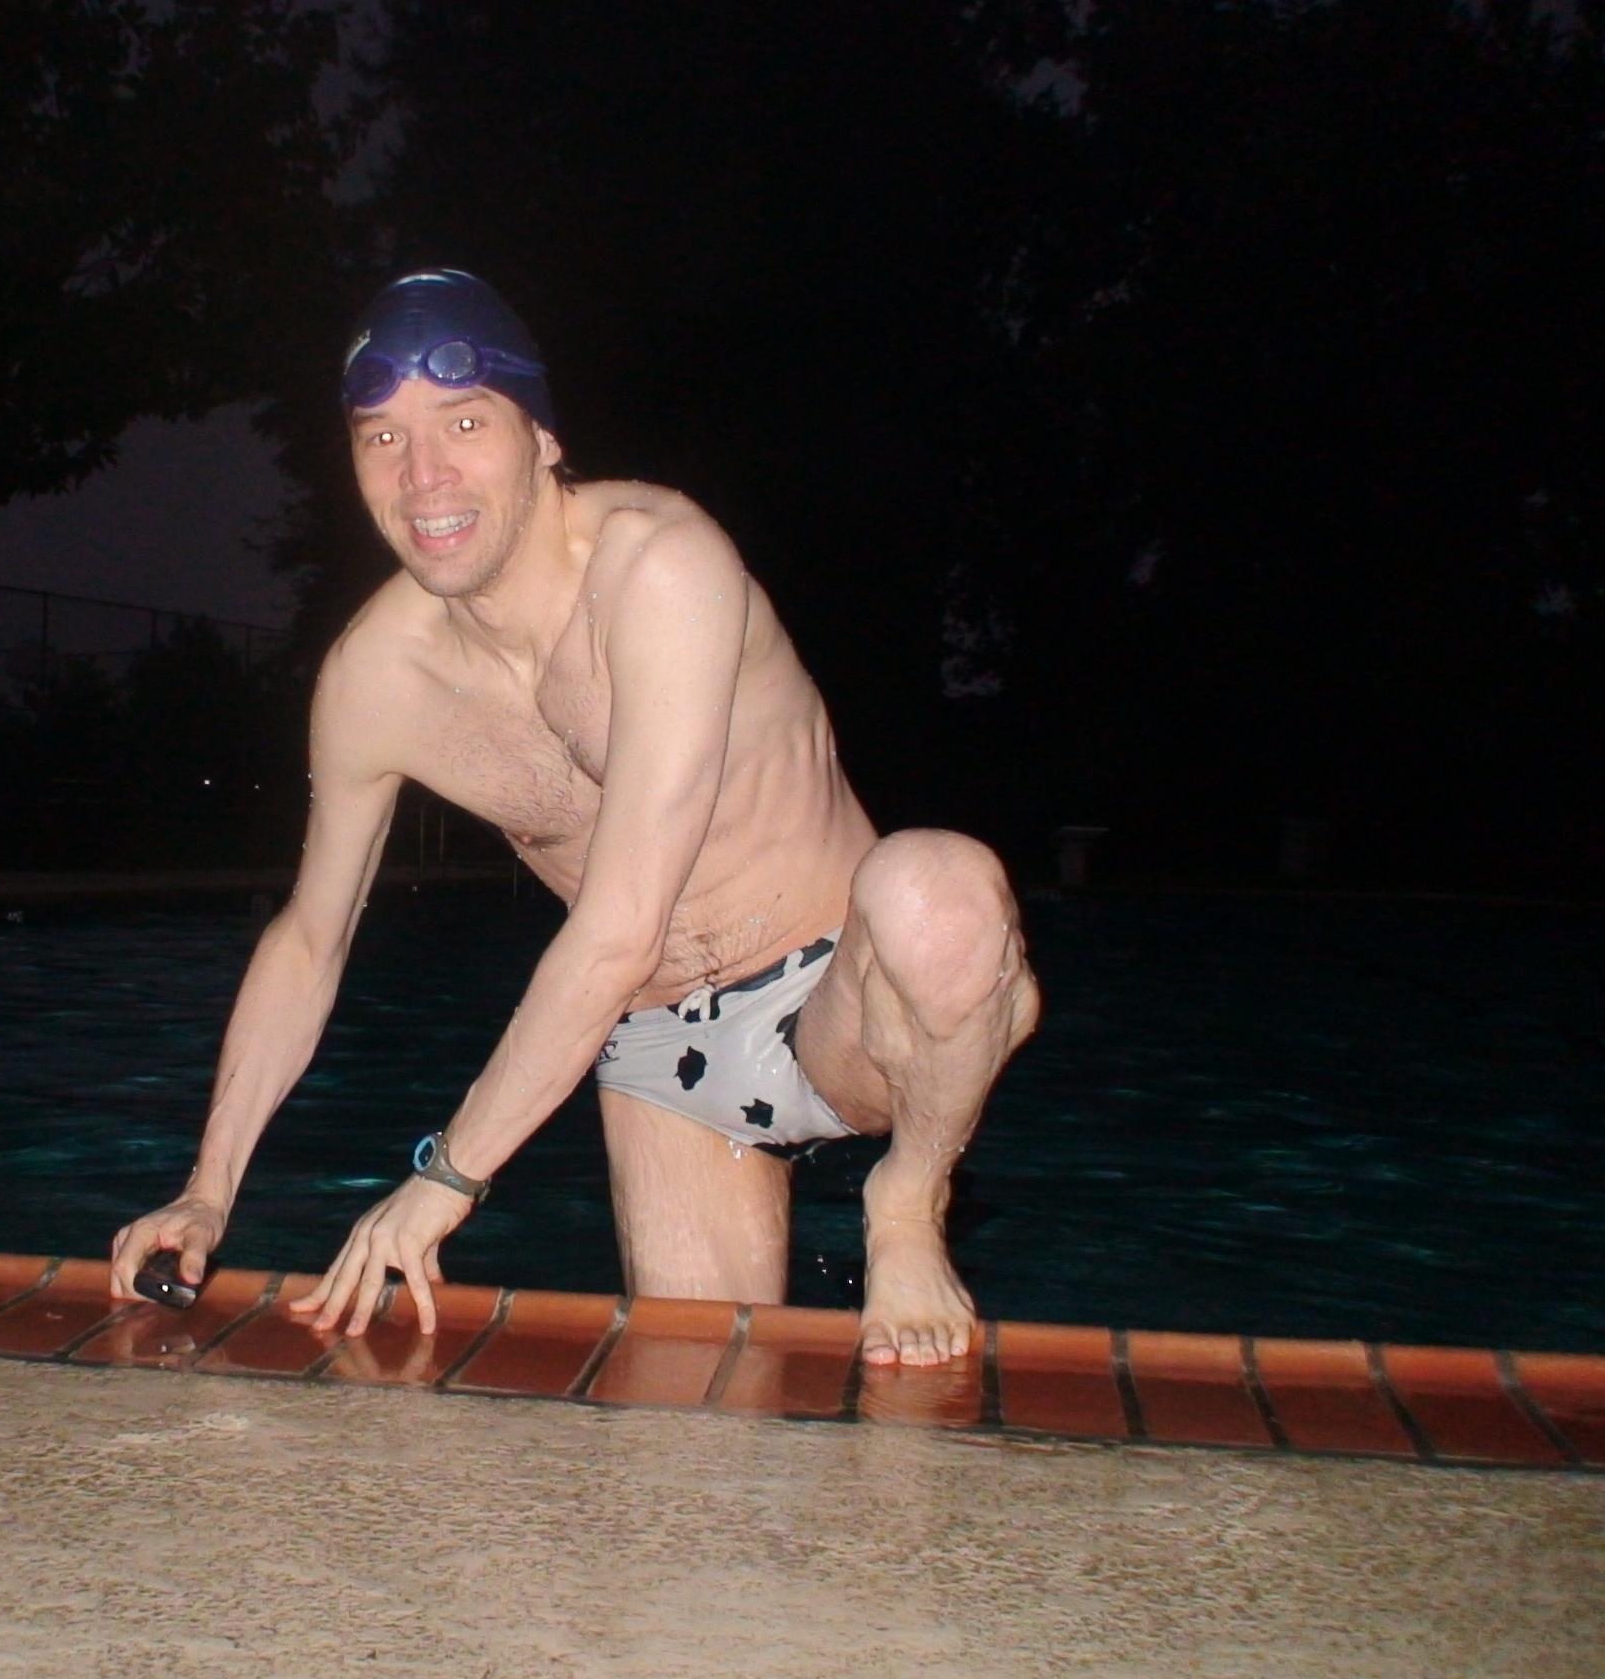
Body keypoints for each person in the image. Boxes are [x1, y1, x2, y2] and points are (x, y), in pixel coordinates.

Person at [109, 268, 1040, 1366]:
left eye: (464, 423)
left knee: (937, 893)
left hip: (843, 992)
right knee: (692, 1445)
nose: (425, 476)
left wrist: (444, 1177)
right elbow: (310, 939)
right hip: (659, 1052)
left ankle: (908, 1201)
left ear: (543, 438)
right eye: (382, 439)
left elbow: (618, 924)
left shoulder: (662, 570)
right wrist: (208, 1190)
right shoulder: (377, 680)